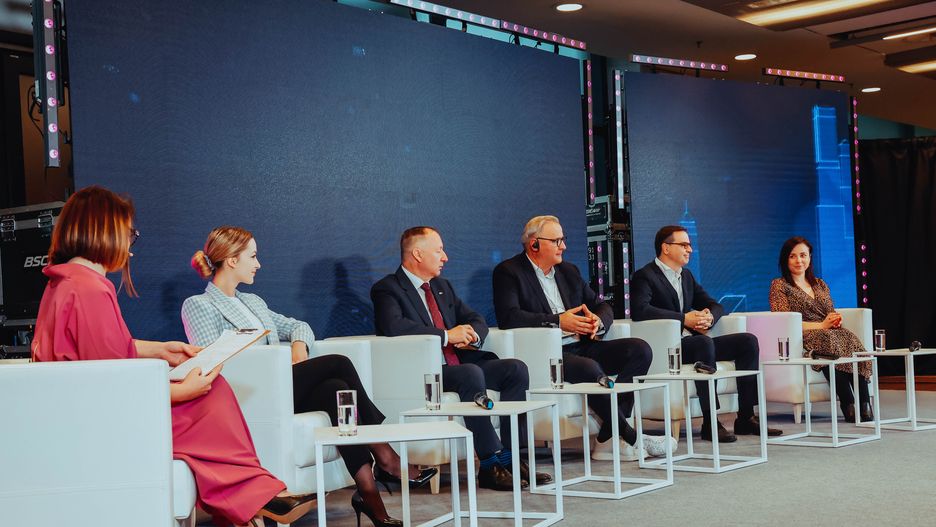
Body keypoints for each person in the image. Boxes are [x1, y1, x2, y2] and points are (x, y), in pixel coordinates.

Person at [30, 186, 315, 527]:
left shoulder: (66, 282)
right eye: (128, 234)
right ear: (103, 231)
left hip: (86, 409)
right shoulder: (89, 290)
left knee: (214, 393)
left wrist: (159, 349)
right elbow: (110, 383)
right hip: (101, 419)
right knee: (210, 397)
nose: (130, 246)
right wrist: (179, 391)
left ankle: (251, 500)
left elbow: (95, 352)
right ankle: (253, 499)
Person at [181, 226, 436, 527]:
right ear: (232, 260)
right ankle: (386, 455)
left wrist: (298, 346)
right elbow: (213, 360)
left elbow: (298, 326)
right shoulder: (199, 304)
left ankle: (369, 493)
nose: (258, 264)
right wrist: (271, 360)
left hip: (281, 386)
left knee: (336, 389)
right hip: (246, 395)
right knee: (338, 363)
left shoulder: (253, 302)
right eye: (253, 256)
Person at [371, 226, 549, 491]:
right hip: (425, 373)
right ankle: (489, 464)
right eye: (439, 251)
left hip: (459, 363)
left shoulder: (442, 287)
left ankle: (512, 457)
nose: (445, 257)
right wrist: (446, 336)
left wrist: (472, 335)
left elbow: (475, 318)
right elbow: (393, 326)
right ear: (418, 254)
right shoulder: (387, 289)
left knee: (515, 369)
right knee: (470, 373)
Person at [493, 215, 675, 461]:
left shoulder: (569, 271)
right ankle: (631, 436)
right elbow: (509, 317)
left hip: (583, 345)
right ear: (534, 244)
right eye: (557, 241)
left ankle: (607, 438)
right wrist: (558, 321)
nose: (564, 246)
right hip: (549, 354)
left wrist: (598, 321)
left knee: (639, 350)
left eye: (563, 240)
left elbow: (602, 305)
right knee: (589, 368)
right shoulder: (509, 272)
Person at [630, 225, 782, 442]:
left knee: (747, 341)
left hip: (692, 343)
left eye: (690, 245)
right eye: (684, 245)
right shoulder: (644, 276)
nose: (690, 250)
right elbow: (640, 310)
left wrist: (709, 317)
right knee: (703, 343)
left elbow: (714, 304)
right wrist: (684, 318)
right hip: (667, 348)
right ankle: (711, 422)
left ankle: (746, 416)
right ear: (666, 247)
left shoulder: (686, 276)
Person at [769, 236, 872, 422]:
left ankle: (865, 403)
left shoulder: (820, 283)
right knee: (828, 340)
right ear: (785, 259)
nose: (799, 260)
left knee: (849, 338)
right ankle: (848, 402)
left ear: (810, 258)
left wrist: (834, 320)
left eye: (803, 255)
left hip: (829, 332)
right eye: (793, 256)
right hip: (804, 334)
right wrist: (822, 325)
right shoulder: (780, 285)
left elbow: (830, 311)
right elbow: (784, 321)